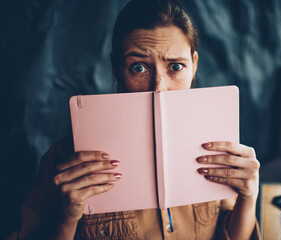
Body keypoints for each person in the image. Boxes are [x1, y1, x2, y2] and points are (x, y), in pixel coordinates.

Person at [18, 0, 260, 239]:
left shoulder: (219, 148)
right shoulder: (62, 162)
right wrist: (66, 220)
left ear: (194, 66)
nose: (159, 88)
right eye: (138, 68)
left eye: (175, 66)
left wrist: (248, 197)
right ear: (116, 67)